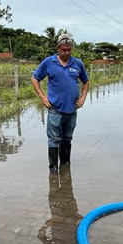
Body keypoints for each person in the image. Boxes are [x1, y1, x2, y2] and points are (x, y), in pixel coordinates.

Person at [31, 32, 89, 173]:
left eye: (69, 49)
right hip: (55, 110)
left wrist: (82, 98)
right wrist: (42, 97)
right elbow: (35, 78)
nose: (67, 52)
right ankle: (53, 171)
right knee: (53, 140)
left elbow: (86, 82)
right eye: (64, 50)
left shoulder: (77, 64)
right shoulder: (49, 62)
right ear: (58, 48)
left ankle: (65, 168)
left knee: (67, 139)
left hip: (72, 110)